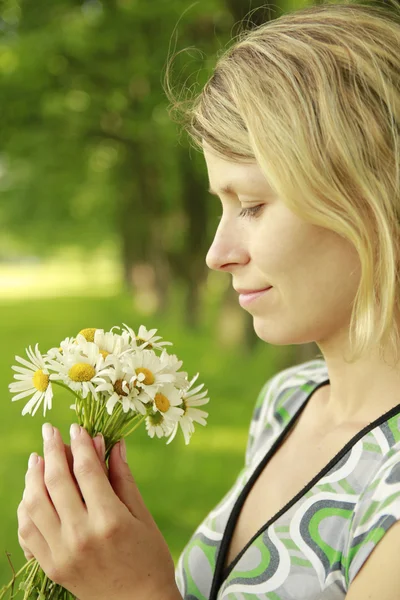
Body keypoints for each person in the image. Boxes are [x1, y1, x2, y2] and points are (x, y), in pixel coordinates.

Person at [17, 1, 400, 599]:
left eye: (250, 204)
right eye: (220, 205)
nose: (216, 254)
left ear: (370, 194)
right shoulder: (288, 401)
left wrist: (134, 591)